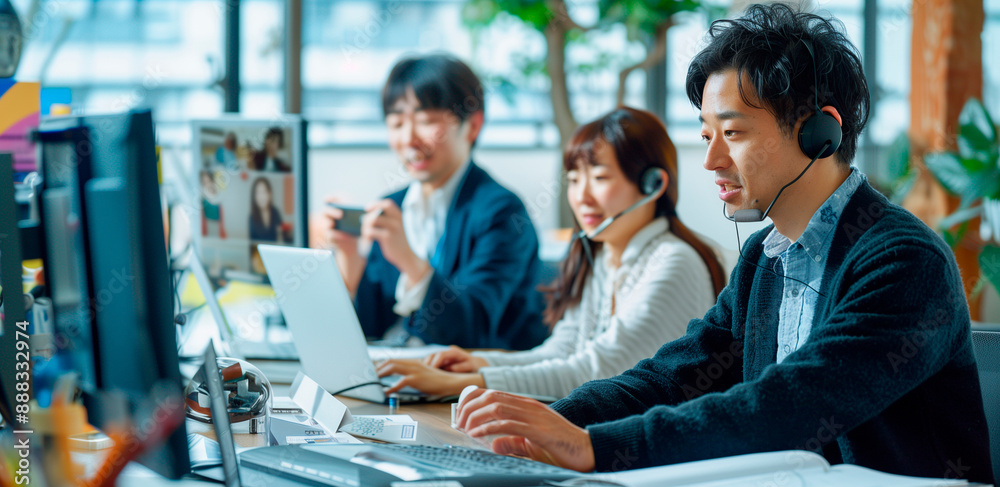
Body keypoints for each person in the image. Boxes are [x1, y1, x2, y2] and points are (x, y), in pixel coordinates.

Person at [455, 3, 995, 487]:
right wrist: (556, 419)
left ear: (818, 133)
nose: (711, 161)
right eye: (705, 134)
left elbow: (793, 406)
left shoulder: (901, 259)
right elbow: (674, 376)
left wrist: (597, 448)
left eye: (732, 134)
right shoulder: (766, 256)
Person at [376, 107, 726, 399]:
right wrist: (475, 362)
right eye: (574, 179)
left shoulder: (672, 261)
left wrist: (469, 383)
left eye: (600, 177)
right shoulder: (602, 258)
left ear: (653, 185)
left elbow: (600, 370)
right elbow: (561, 353)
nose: (581, 196)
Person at [316, 54, 548, 350]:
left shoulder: (502, 214)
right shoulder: (391, 206)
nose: (409, 138)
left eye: (426, 121)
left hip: (476, 389)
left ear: (473, 125)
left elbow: (471, 331)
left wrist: (410, 263)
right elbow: (370, 327)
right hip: (402, 381)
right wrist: (349, 255)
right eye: (397, 123)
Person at [249, 176, 284, 242]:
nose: (261, 197)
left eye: (264, 192)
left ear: (269, 194)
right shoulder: (252, 217)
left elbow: (281, 238)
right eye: (258, 193)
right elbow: (252, 244)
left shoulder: (275, 212)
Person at [200, 169, 226, 239]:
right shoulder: (202, 197)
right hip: (207, 224)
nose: (207, 184)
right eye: (204, 182)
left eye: (208, 181)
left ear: (211, 180)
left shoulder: (218, 192)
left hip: (217, 222)